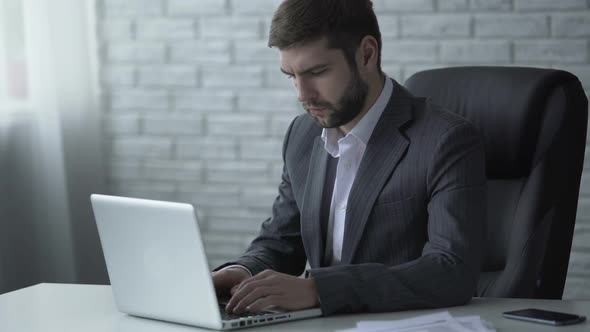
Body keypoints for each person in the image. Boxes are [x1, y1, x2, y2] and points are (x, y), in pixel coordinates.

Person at [212, 0, 486, 316]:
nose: (303, 94)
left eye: (317, 72)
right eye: (291, 76)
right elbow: (280, 244)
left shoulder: (445, 140)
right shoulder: (302, 136)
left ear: (366, 54)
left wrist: (318, 290)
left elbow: (451, 271)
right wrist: (243, 271)